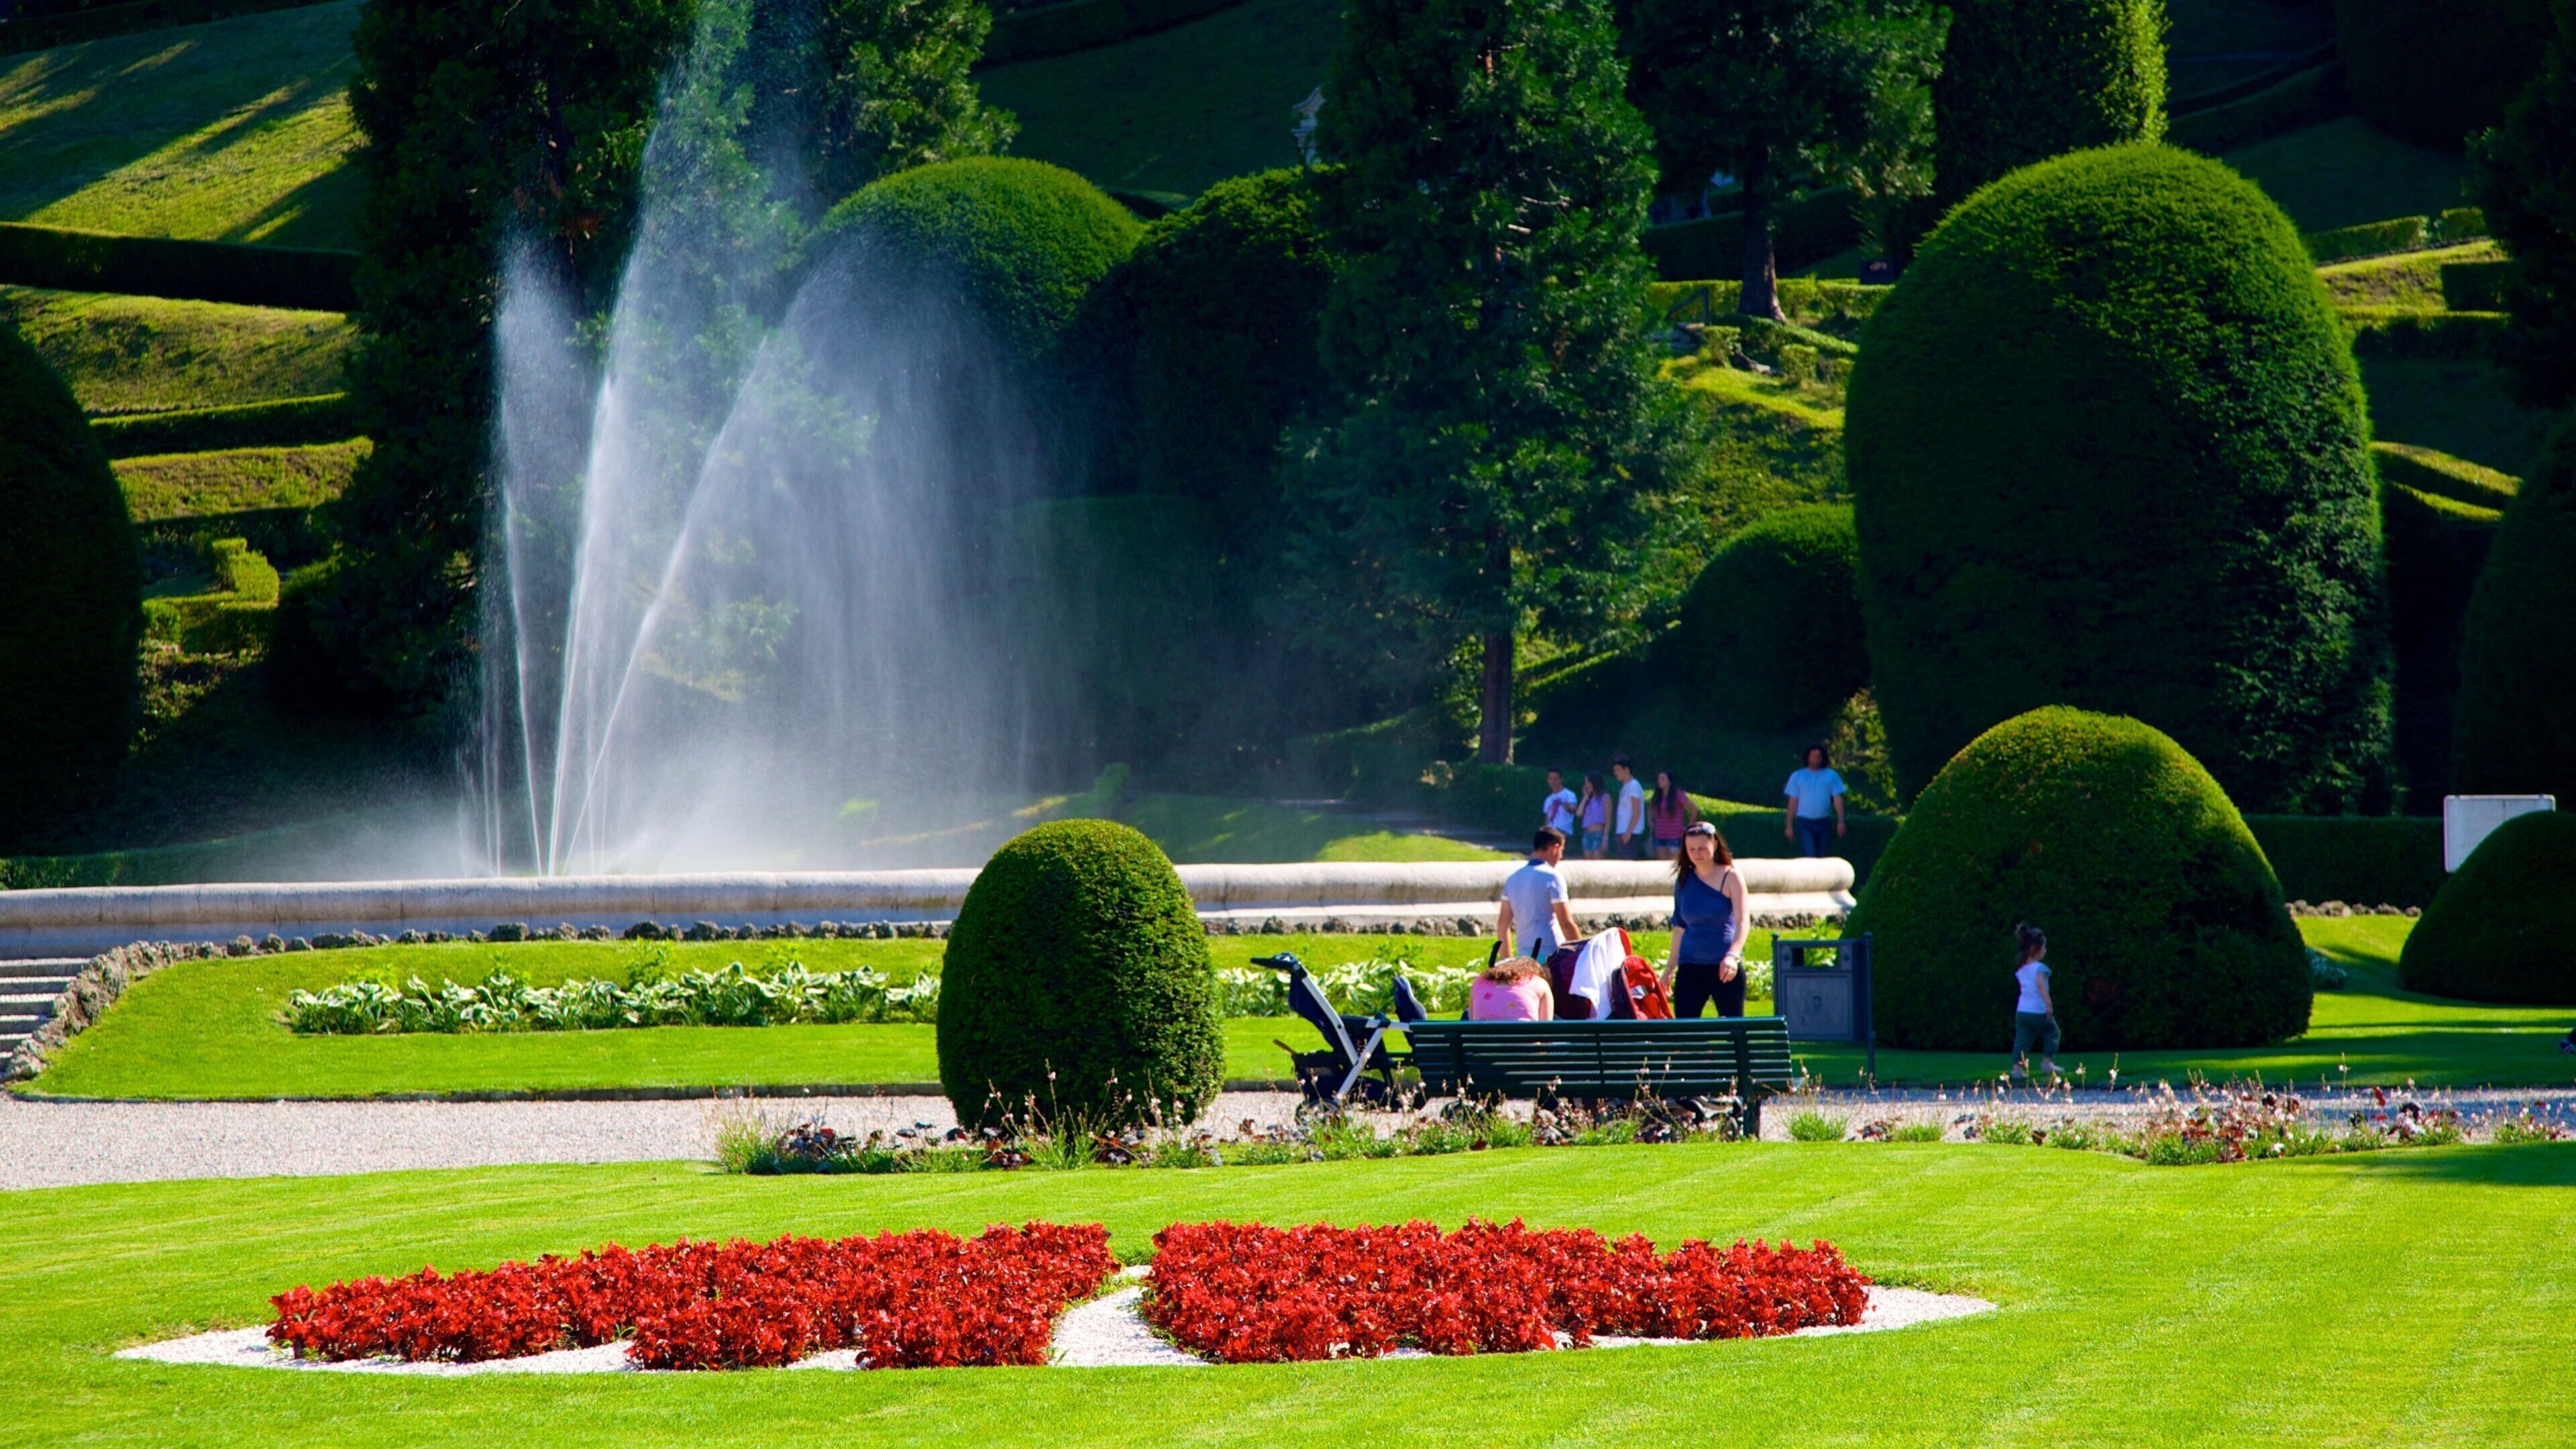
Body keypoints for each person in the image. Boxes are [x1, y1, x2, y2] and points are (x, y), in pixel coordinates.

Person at [1664, 821, 1749, 1018]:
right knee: (1687, 1034)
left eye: (1702, 848)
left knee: (1734, 1032)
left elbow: (1743, 921)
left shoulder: (1732, 877)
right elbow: (1679, 928)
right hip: (1690, 965)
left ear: (1715, 845)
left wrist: (1733, 956)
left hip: (1724, 966)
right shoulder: (1684, 880)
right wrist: (1670, 969)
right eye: (1691, 849)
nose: (1697, 853)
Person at [1497, 827, 1583, 964]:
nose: (1561, 857)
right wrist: (1582, 954)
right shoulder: (1552, 877)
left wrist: (1508, 960)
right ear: (1555, 848)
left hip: (1523, 956)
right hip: (1551, 954)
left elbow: (1503, 924)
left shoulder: (1513, 878)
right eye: (1562, 851)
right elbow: (1566, 923)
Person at [2010, 922, 2063, 1081]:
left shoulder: (2021, 969)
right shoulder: (2040, 968)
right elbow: (2041, 986)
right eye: (2044, 947)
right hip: (2038, 1010)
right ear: (2036, 948)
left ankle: (2017, 1069)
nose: (2045, 950)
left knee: (2022, 1040)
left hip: (2022, 1011)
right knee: (2053, 1033)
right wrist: (2049, 1004)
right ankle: (2047, 1061)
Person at [1782, 745, 1848, 857]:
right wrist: (1789, 826)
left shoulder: (1831, 776)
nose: (1816, 759)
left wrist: (1841, 822)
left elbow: (1838, 799)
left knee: (1823, 856)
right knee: (1810, 855)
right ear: (1808, 758)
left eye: (1819, 757)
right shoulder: (1798, 776)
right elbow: (1793, 802)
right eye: (1813, 756)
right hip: (1805, 822)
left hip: (1824, 822)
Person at [1468, 955, 1554, 1021]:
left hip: (1483, 1044)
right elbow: (1545, 1036)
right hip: (1525, 1043)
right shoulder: (1539, 982)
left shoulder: (1479, 982)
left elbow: (1472, 1022)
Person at [1648, 769, 1699, 861]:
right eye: (1659, 778)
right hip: (1660, 835)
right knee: (1662, 864)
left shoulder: (1677, 794)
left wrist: (1689, 827)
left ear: (1669, 781)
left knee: (1674, 863)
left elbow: (1694, 809)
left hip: (1674, 836)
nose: (1660, 781)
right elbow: (1651, 809)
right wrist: (1651, 823)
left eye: (1663, 778)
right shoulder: (1658, 795)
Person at [1611, 754, 1648, 860]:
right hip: (1623, 832)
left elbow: (1637, 811)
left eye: (1618, 770)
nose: (1615, 773)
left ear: (1626, 769)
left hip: (1631, 833)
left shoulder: (1634, 786)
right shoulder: (1625, 787)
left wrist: (1628, 832)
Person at [1576, 772, 1609, 859]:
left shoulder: (1605, 797)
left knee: (1597, 864)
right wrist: (1585, 797)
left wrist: (1605, 839)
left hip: (1598, 834)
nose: (1587, 785)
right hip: (1587, 834)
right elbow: (1579, 813)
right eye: (1586, 782)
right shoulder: (1588, 799)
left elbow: (1608, 820)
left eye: (1589, 782)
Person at [1540, 768, 1579, 839]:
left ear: (1561, 779)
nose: (1553, 782)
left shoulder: (1569, 795)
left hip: (1564, 833)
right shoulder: (1548, 800)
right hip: (1551, 833)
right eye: (1551, 779)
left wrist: (1569, 808)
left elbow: (1574, 809)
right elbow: (1547, 818)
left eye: (1556, 779)